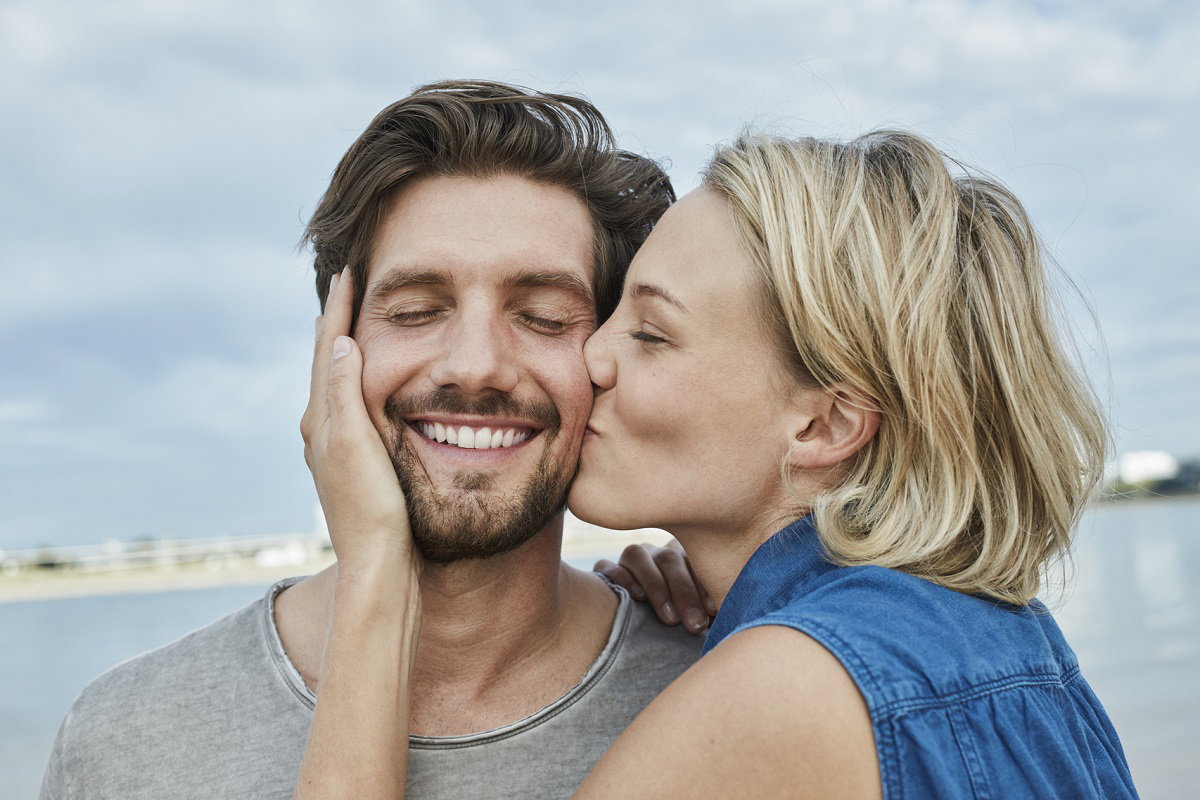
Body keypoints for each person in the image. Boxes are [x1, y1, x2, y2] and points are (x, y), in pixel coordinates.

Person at [296, 129, 1139, 797]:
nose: (592, 359)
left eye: (651, 333)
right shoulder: (999, 639)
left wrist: (376, 572)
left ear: (824, 424)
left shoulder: (782, 692)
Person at [38, 81, 712, 800]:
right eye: (417, 310)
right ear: (334, 344)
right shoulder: (122, 741)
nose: (474, 365)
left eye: (543, 316)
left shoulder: (720, 685)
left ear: (608, 359)